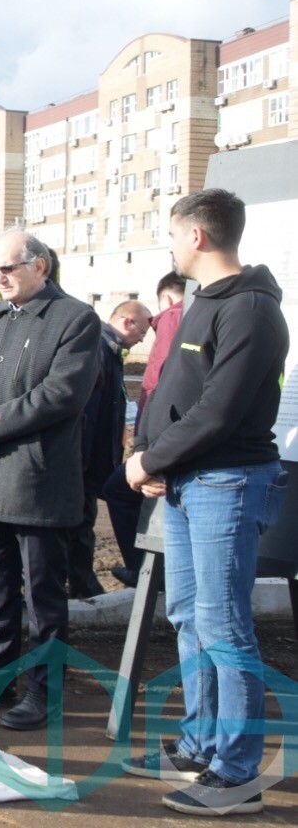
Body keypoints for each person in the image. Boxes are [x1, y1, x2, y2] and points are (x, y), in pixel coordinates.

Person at [122, 189, 289, 816]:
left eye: (171, 233)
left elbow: (219, 412)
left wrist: (151, 460)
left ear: (196, 236)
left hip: (227, 483)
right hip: (189, 482)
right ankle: (202, 745)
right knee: (191, 618)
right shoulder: (203, 303)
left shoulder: (249, 310)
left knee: (225, 626)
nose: (167, 244)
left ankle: (239, 773)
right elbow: (173, 391)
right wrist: (154, 460)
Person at [0, 228, 100, 730]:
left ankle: (43, 691)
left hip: (36, 481)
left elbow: (62, 393)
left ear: (40, 266)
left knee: (43, 598)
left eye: (9, 267)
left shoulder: (75, 318)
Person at [103, 271, 188, 586]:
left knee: (119, 490)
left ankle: (147, 572)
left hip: (164, 442)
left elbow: (157, 385)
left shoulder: (173, 318)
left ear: (165, 298)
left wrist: (145, 451)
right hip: (183, 440)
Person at [70, 300, 149, 599]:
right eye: (143, 329)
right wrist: (84, 460)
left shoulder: (110, 348)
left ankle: (81, 583)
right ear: (127, 322)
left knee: (83, 522)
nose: (144, 338)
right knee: (80, 523)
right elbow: (89, 412)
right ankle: (82, 586)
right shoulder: (100, 347)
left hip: (91, 460)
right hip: (85, 461)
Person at [135, 271, 186, 426]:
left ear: (166, 298)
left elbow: (160, 370)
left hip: (163, 419)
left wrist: (144, 427)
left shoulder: (171, 317)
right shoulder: (201, 315)